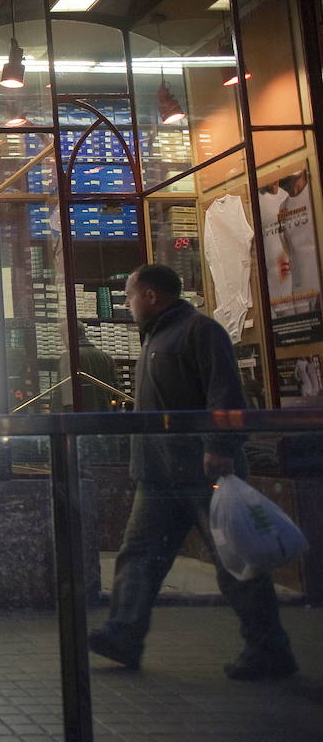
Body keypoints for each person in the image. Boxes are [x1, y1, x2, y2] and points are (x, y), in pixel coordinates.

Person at [87, 263, 297, 680]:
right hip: (159, 472)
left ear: (151, 296)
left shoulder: (200, 332)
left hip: (202, 472)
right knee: (139, 554)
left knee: (234, 562)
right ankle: (123, 633)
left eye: (129, 296)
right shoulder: (156, 337)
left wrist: (218, 448)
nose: (126, 305)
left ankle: (269, 648)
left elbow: (225, 394)